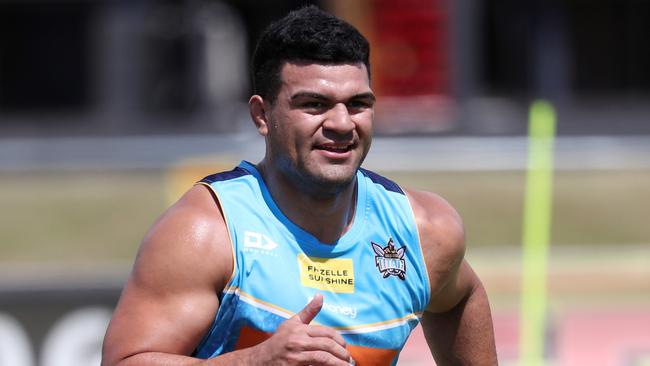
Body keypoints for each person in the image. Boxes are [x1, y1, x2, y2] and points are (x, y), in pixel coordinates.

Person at [102, 5, 497, 366]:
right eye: (314, 105)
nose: (342, 123)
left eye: (358, 103)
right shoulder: (207, 233)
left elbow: (459, 298)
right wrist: (254, 361)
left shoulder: (424, 231)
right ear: (262, 115)